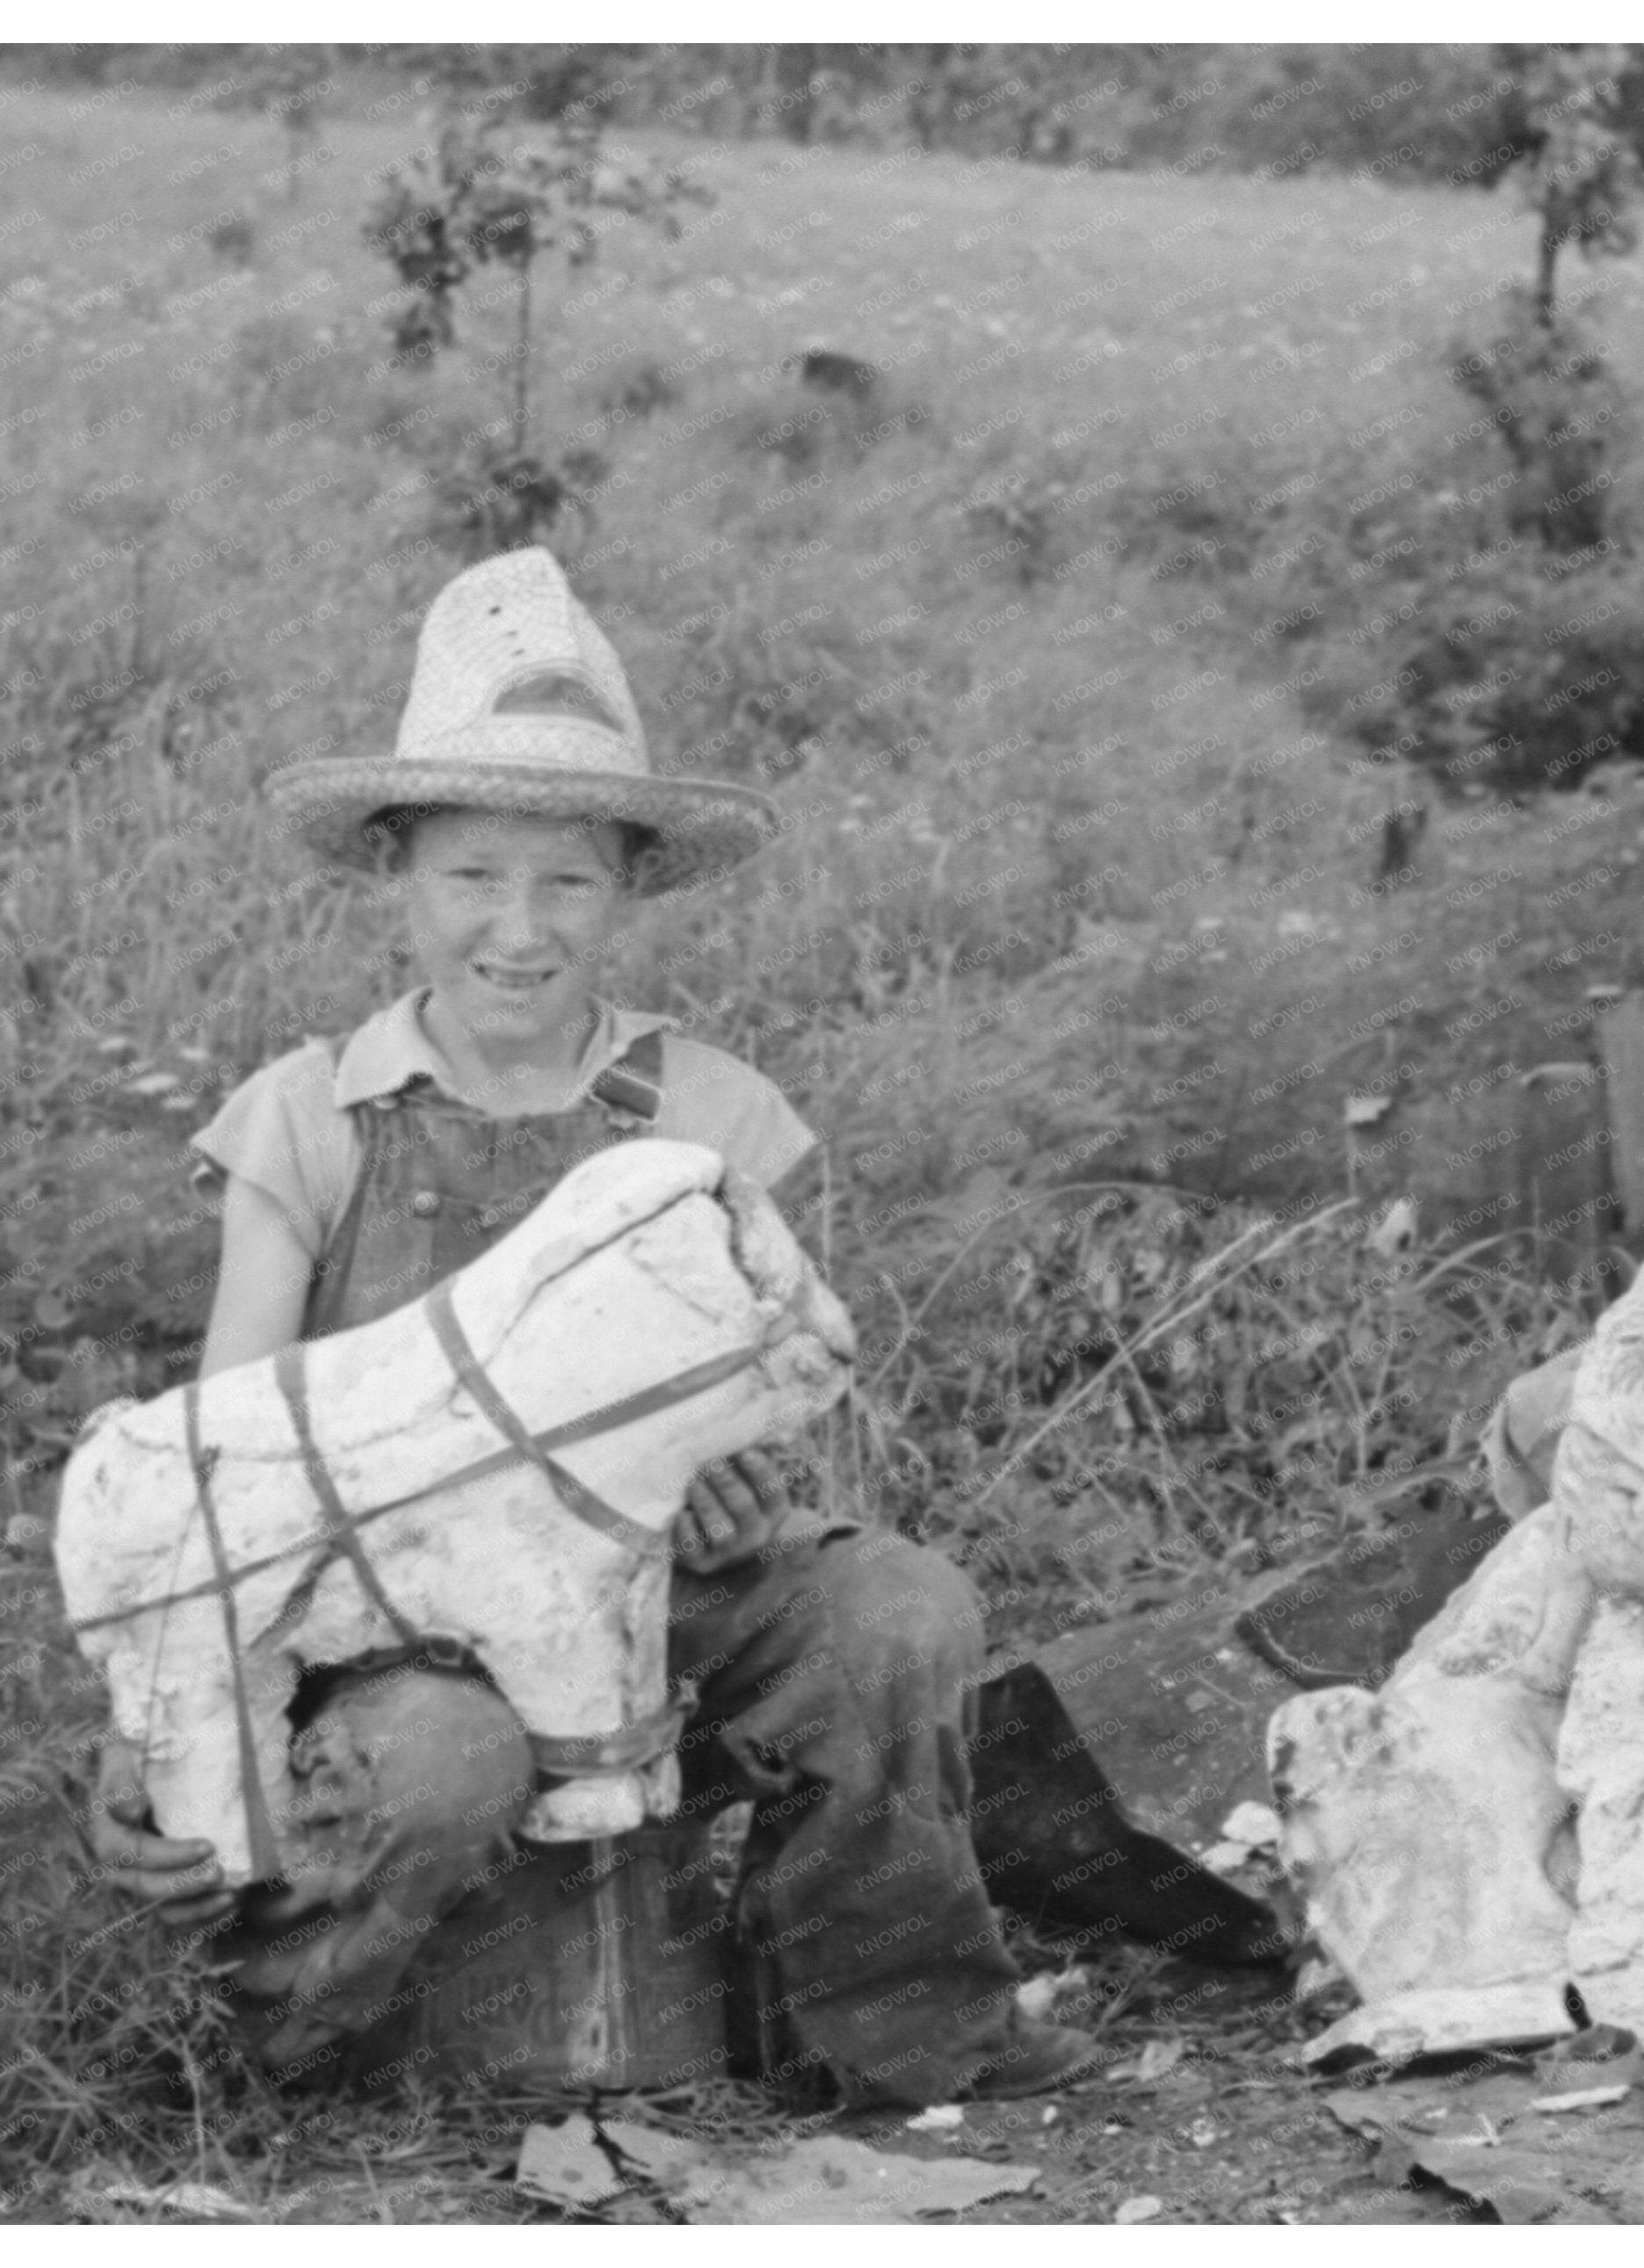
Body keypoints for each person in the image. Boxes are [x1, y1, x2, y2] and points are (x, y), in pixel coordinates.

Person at [82, 547, 1104, 2109]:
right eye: (472, 874)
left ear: (628, 886)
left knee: (899, 1613)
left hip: (656, 1584)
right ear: (397, 873)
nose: (520, 927)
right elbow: (228, 1470)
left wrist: (741, 1484)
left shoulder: (708, 1113)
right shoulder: (306, 1123)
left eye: (568, 877)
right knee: (440, 1763)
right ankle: (258, 2040)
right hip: (399, 1624)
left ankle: (889, 2016)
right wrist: (150, 1724)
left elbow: (760, 1404)